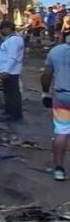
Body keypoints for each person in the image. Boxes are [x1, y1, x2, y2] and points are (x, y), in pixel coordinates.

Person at [42, 34, 70, 181]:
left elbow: (46, 75)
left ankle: (59, 169)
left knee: (61, 132)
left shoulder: (56, 51)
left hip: (62, 97)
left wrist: (45, 93)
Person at [0, 20, 25, 121]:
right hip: (9, 70)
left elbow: (12, 57)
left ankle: (13, 114)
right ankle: (10, 112)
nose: (1, 31)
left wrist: (6, 71)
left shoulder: (14, 40)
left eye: (2, 29)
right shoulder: (12, 39)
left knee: (11, 94)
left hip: (11, 71)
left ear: (7, 28)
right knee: (9, 92)